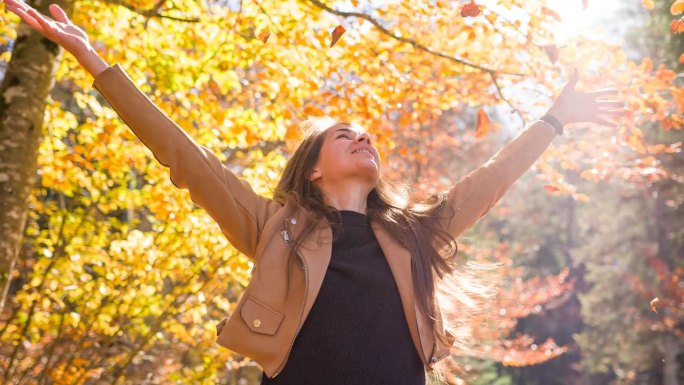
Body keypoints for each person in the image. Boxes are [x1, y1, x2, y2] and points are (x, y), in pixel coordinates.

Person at [4, 1, 625, 384]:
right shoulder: (272, 227)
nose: (365, 141)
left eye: (368, 137)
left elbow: (490, 182)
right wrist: (93, 61)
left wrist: (553, 120)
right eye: (345, 136)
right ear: (312, 172)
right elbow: (182, 156)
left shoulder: (414, 233)